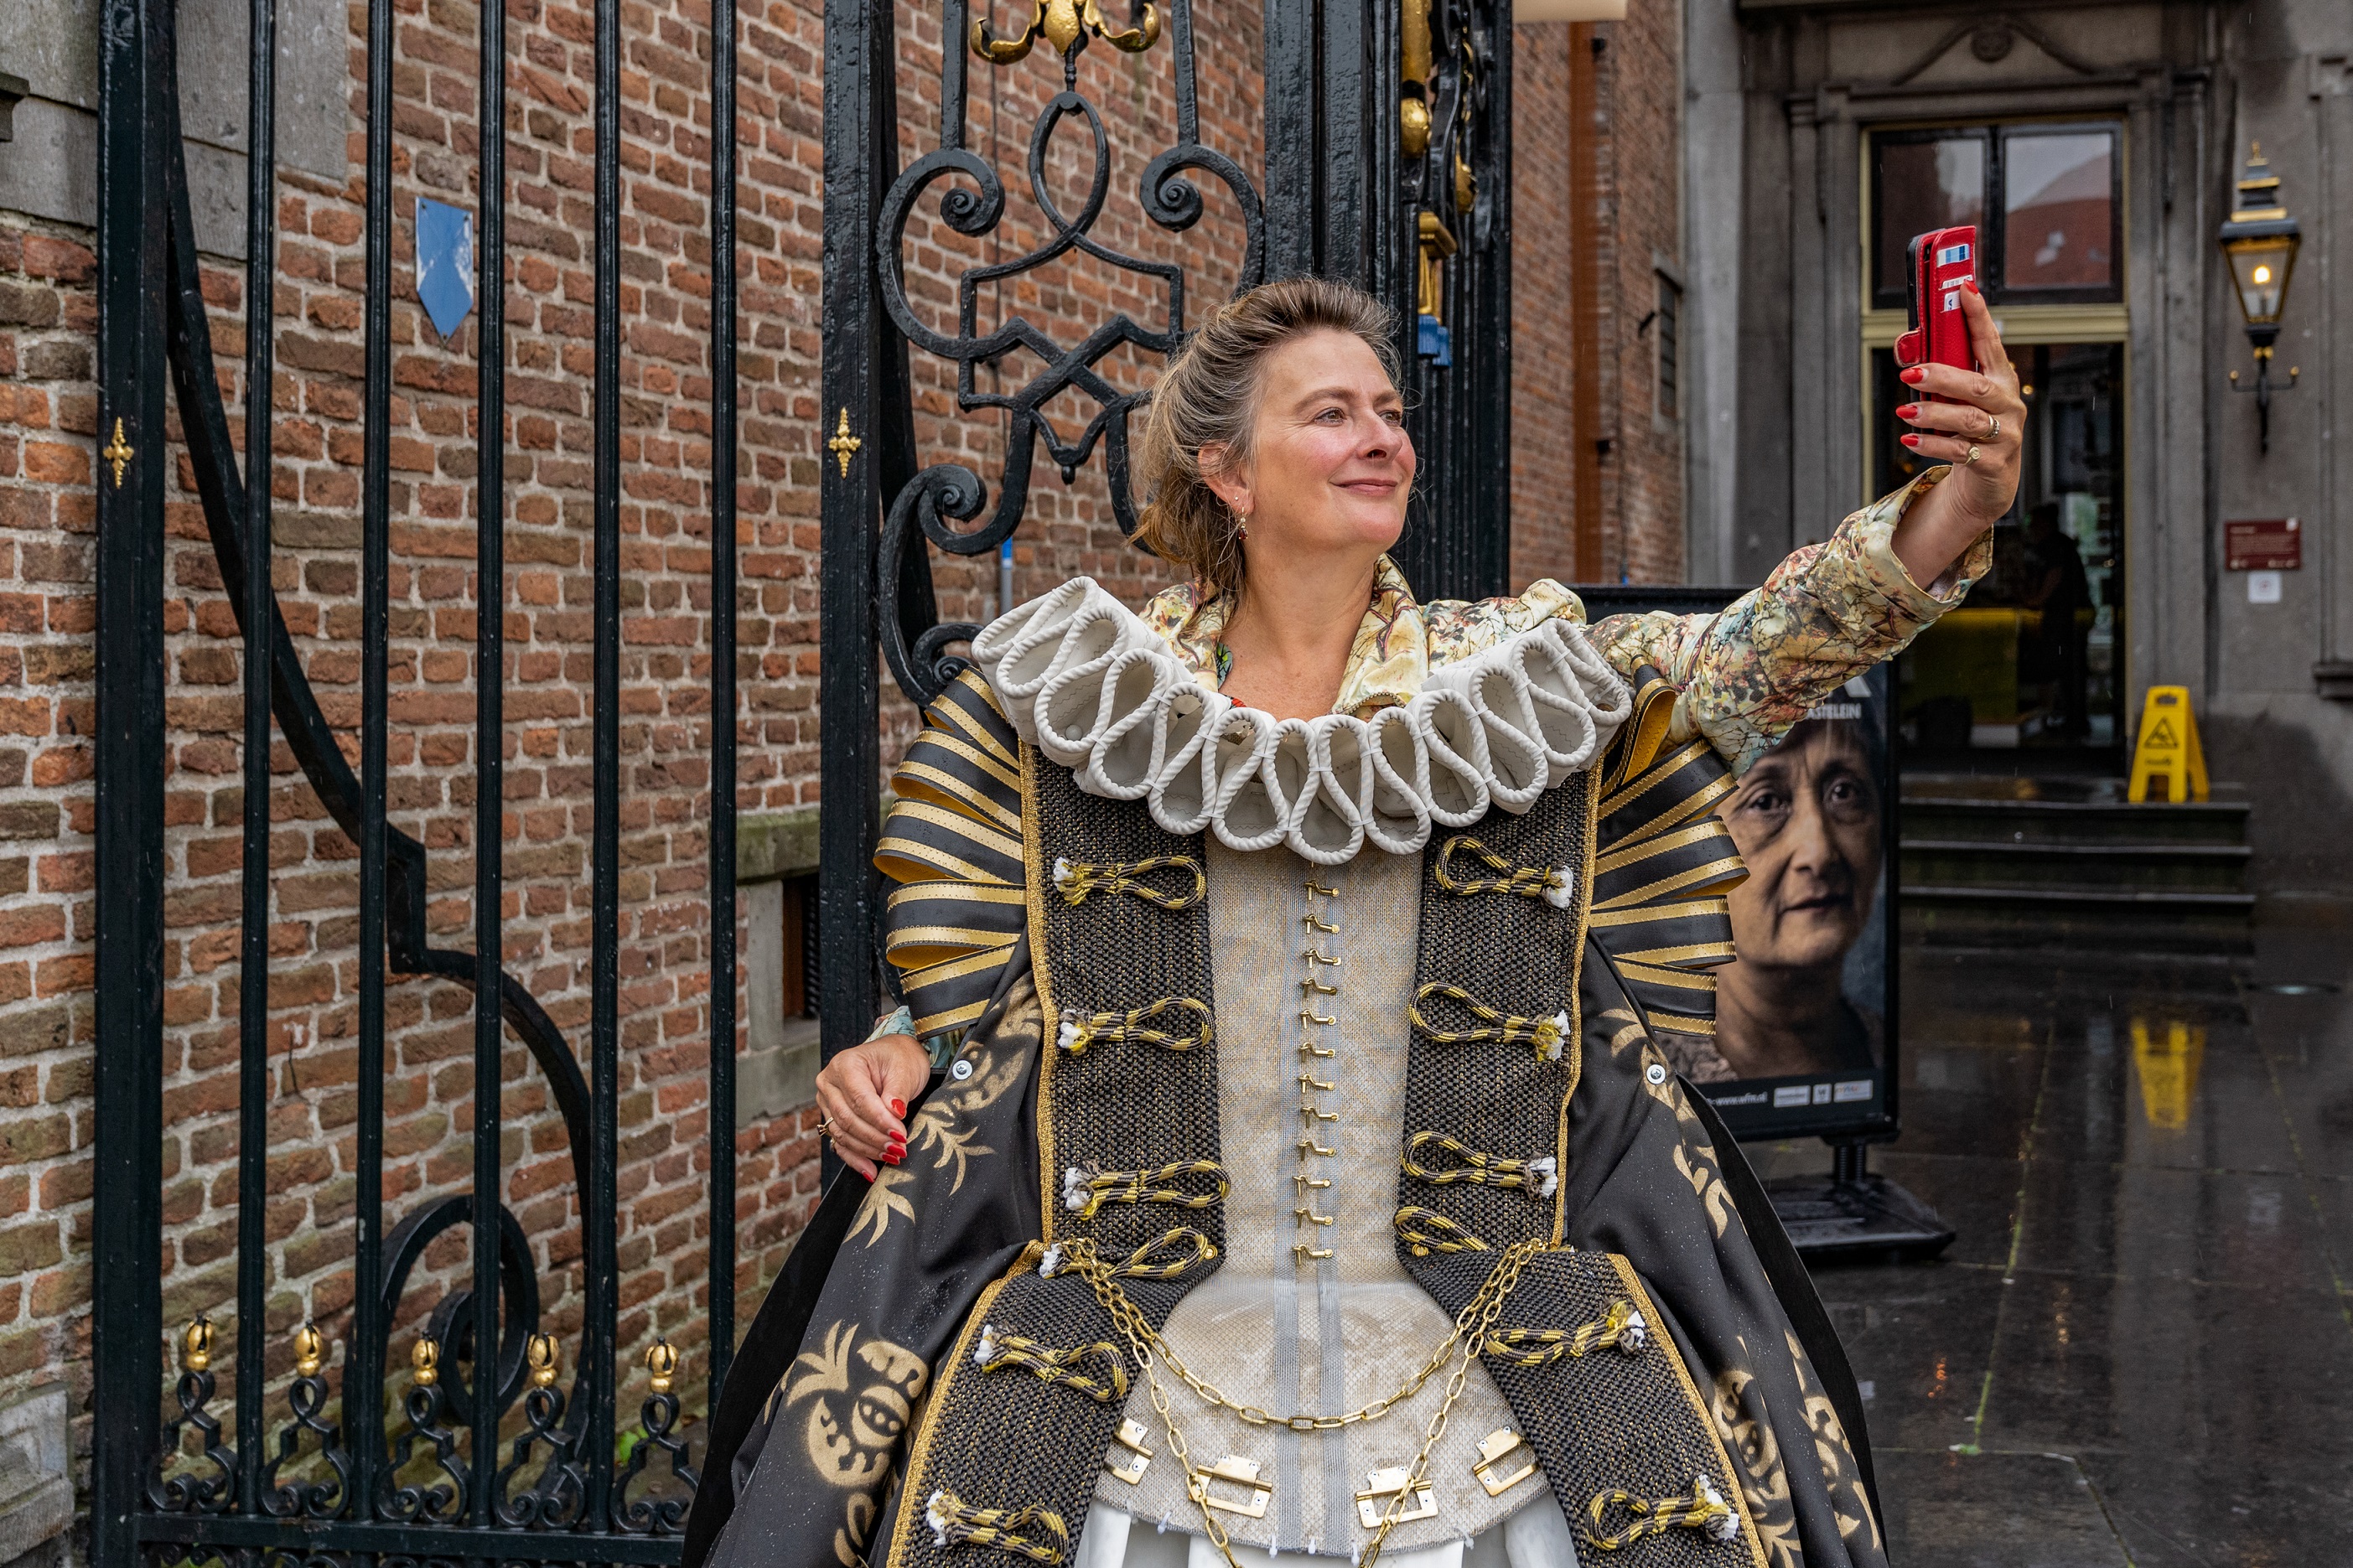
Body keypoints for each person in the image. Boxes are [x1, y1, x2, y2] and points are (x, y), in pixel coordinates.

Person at [685, 277, 2021, 1568]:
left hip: (1479, 1352)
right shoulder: (1090, 688)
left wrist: (1950, 506)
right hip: (1142, 1349)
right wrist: (905, 1036)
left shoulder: (1514, 675)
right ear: (1226, 471)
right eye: (1329, 412)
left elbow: (1760, 648)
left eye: (1387, 409)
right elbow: (1008, 928)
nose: (1380, 435)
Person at [1703, 716, 1886, 1083]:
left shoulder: (1883, 1053)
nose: (1818, 854)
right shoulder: (1640, 1082)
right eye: (1766, 802)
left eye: (1844, 793)